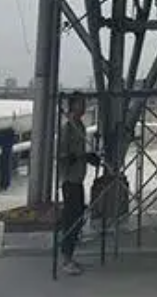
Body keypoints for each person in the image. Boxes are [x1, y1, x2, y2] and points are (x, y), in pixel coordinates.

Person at [57, 92, 100, 276]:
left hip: (78, 178)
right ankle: (66, 258)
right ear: (72, 105)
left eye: (84, 104)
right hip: (70, 180)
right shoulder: (68, 128)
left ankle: (70, 255)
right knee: (71, 219)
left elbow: (79, 152)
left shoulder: (80, 126)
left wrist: (87, 157)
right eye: (80, 104)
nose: (83, 107)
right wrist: (76, 157)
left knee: (78, 217)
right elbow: (62, 155)